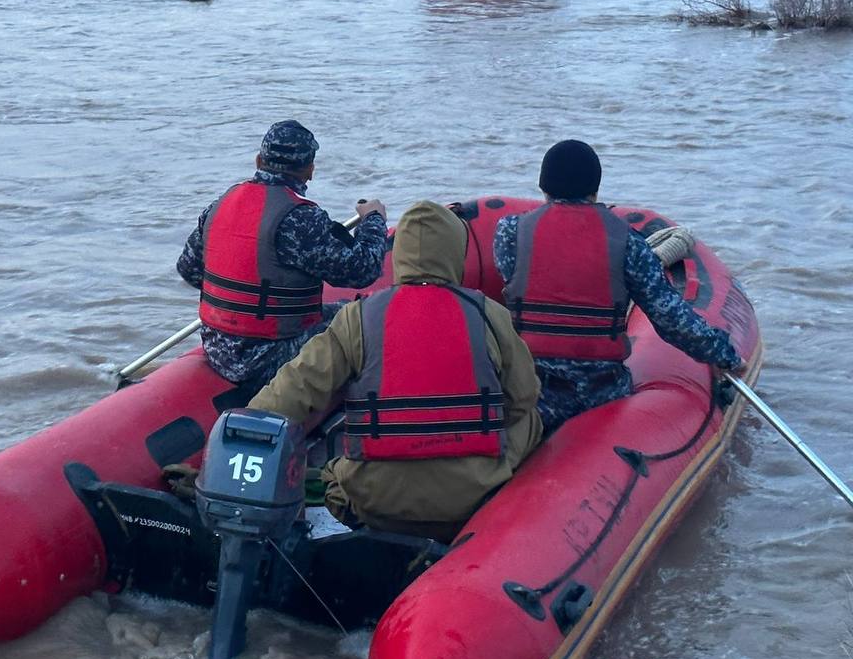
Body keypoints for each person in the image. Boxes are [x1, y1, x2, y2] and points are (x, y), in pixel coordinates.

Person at [247, 201, 542, 539]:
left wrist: (236, 438)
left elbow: (293, 390)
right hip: (472, 497)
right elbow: (522, 398)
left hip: (375, 501)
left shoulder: (357, 317)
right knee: (531, 420)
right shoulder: (489, 314)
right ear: (455, 252)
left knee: (332, 471)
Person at [493, 140, 743, 434]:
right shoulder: (627, 242)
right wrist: (724, 354)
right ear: (595, 191)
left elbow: (516, 279)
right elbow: (671, 318)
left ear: (544, 190)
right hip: (601, 397)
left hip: (535, 395)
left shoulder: (510, 232)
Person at [177, 120, 388, 389]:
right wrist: (373, 219)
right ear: (309, 170)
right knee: (368, 318)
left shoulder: (219, 205)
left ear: (258, 160)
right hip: (269, 357)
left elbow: (189, 269)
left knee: (338, 310)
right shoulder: (300, 218)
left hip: (217, 348)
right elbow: (364, 270)